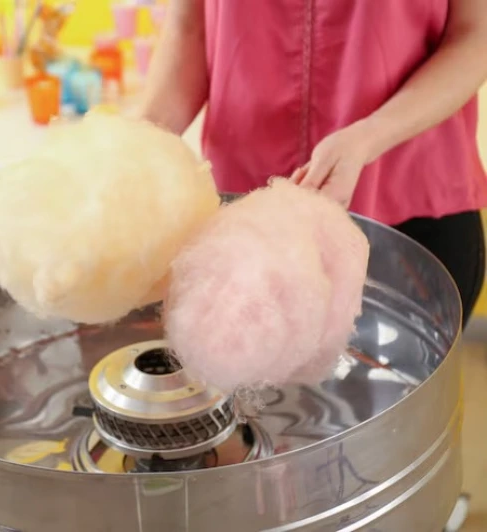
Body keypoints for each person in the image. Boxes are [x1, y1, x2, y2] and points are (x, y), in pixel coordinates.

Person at [136, 0, 487, 327]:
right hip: (242, 220)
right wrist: (138, 141)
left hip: (410, 211)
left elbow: (474, 36)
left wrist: (370, 136)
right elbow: (190, 29)